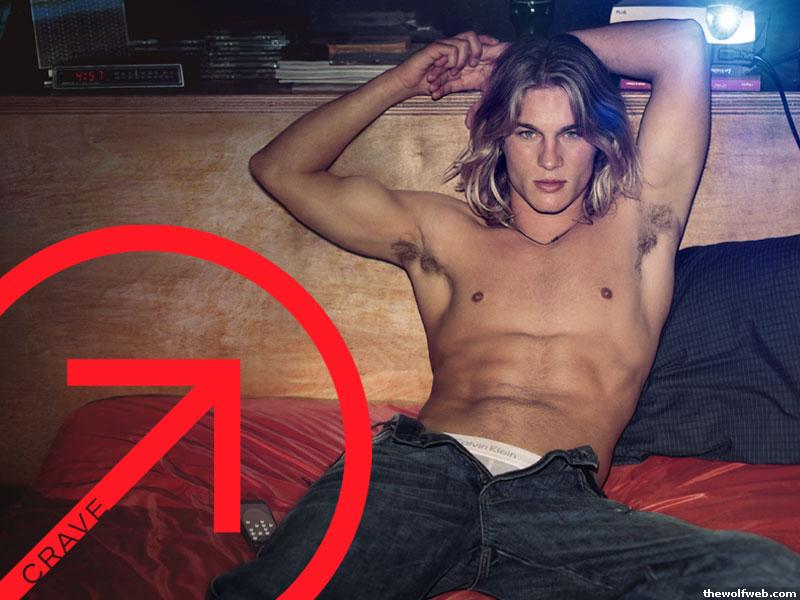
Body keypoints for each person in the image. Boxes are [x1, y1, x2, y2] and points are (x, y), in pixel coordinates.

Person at [209, 20, 800, 599]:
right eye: (527, 132)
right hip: (419, 473)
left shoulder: (639, 228)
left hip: (556, 502)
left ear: (599, 140)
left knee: (763, 580)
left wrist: (523, 55)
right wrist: (405, 80)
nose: (550, 158)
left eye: (571, 132)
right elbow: (278, 169)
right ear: (498, 137)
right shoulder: (443, 232)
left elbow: (682, 46)